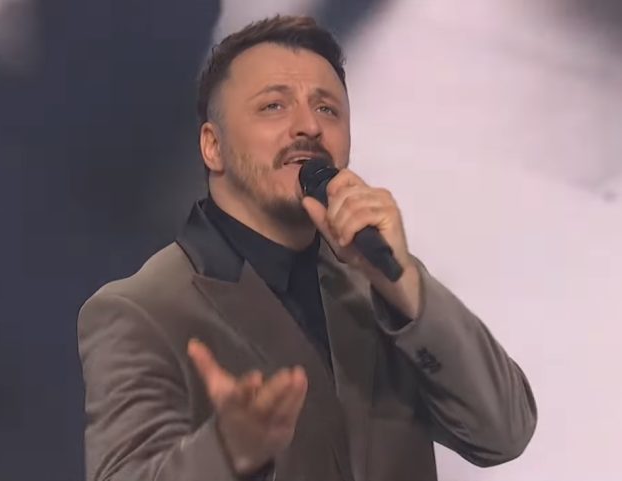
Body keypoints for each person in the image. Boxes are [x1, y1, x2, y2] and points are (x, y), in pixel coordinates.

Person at [78, 15, 537, 481]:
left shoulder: (378, 286)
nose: (309, 126)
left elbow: (504, 432)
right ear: (213, 146)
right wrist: (226, 452)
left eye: (328, 109)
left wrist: (404, 285)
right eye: (274, 106)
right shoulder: (140, 311)